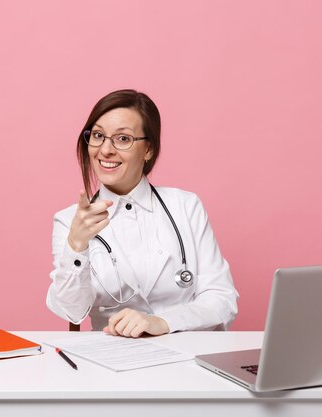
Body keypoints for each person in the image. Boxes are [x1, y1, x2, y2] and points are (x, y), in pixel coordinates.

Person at [46, 89, 238, 338]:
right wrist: (76, 246)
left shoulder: (186, 206)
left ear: (148, 149)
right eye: (98, 135)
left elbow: (222, 300)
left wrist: (161, 322)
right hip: (111, 360)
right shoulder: (69, 221)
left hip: (186, 354)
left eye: (123, 139)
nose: (105, 150)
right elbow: (70, 311)